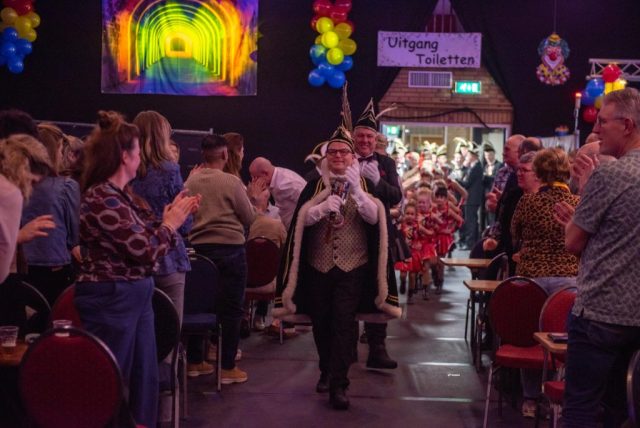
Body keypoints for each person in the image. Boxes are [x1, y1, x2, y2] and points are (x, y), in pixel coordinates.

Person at [74, 111, 198, 428]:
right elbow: (145, 249)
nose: (142, 156)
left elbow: (149, 234)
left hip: (135, 292)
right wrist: (170, 224)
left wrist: (169, 218)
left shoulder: (122, 196)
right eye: (137, 150)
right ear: (124, 156)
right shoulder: (102, 198)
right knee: (114, 381)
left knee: (145, 378)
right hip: (113, 296)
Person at [273, 125, 401, 410]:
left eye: (344, 152)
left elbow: (375, 219)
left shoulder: (365, 184)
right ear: (326, 156)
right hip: (317, 266)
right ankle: (326, 369)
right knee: (321, 323)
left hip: (353, 267)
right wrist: (319, 209)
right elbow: (299, 222)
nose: (339, 156)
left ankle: (339, 384)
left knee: (344, 323)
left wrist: (357, 192)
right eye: (333, 152)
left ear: (352, 156)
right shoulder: (313, 184)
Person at [554, 88, 640, 427]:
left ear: (627, 125)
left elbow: (573, 242)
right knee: (622, 410)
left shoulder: (610, 174)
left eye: (603, 122)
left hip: (600, 313)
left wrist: (587, 189)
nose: (597, 128)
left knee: (581, 407)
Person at [185, 134, 256, 385]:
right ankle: (227, 367)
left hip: (198, 252)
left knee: (199, 305)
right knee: (232, 310)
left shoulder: (190, 181)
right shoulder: (231, 181)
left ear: (203, 155)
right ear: (225, 154)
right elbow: (249, 218)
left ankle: (195, 362)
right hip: (230, 250)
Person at [352, 99, 403, 369]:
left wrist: (377, 182)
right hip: (349, 234)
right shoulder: (344, 159)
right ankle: (347, 347)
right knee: (349, 289)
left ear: (375, 139)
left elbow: (396, 197)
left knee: (379, 288)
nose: (365, 141)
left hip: (379, 235)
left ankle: (377, 349)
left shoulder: (386, 163)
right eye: (360, 136)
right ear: (353, 137)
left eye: (369, 137)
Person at [131, 111, 193, 328]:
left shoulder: (124, 170)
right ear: (162, 136)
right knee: (169, 330)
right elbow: (184, 225)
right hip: (168, 258)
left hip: (133, 257)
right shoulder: (170, 170)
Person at [20, 123, 81, 306]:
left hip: (21, 266)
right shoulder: (66, 187)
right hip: (56, 267)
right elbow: (75, 237)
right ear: (54, 152)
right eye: (61, 149)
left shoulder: (16, 185)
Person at [249, 157, 306, 230]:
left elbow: (310, 205)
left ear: (265, 173)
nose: (254, 181)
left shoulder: (288, 184)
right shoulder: (275, 178)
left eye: (256, 177)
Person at [457, 143, 484, 250]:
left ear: (473, 156)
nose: (466, 157)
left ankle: (470, 243)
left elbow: (467, 183)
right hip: (472, 198)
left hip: (472, 198)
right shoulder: (473, 167)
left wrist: (456, 181)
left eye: (468, 155)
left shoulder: (476, 167)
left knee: (471, 221)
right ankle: (471, 242)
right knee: (472, 220)